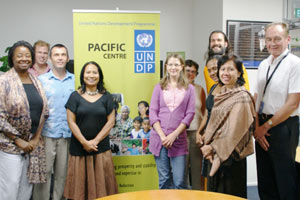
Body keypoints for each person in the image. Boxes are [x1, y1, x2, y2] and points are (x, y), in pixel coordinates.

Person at [254, 22, 300, 200]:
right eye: (269, 39)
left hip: (283, 126)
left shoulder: (295, 64)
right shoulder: (264, 64)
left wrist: (264, 128)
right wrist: (257, 127)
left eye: (277, 39)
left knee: (284, 179)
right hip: (262, 124)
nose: (272, 43)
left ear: (288, 39)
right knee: (265, 179)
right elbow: (258, 96)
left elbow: (292, 103)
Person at [200, 54, 255, 198]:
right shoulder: (221, 93)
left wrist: (212, 147)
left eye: (231, 69)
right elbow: (213, 120)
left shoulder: (242, 96)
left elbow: (235, 130)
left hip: (232, 156)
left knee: (230, 193)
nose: (226, 73)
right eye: (222, 69)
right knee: (215, 193)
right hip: (214, 153)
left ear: (238, 72)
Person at [0, 40, 49, 200]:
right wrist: (17, 139)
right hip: (9, 145)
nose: (24, 59)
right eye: (19, 55)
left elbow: (45, 112)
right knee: (10, 188)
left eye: (27, 55)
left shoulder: (36, 81)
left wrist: (35, 139)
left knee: (25, 190)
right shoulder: (4, 81)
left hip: (31, 145)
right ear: (12, 58)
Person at [64, 61, 118, 199]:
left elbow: (111, 121)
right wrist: (84, 142)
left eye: (95, 72)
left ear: (99, 76)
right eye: (88, 72)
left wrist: (95, 141)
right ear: (83, 76)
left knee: (102, 189)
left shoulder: (107, 97)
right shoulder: (75, 96)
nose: (91, 75)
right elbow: (71, 121)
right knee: (79, 190)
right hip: (79, 149)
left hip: (100, 149)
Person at [33, 44, 75, 200]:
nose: (60, 58)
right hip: (46, 135)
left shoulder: (75, 80)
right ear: (50, 59)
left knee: (62, 175)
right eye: (56, 55)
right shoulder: (40, 81)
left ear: (68, 58)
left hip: (67, 134)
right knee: (43, 175)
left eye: (63, 54)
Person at [149, 53, 195, 189]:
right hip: (159, 139)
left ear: (181, 67)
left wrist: (174, 135)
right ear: (166, 66)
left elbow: (190, 114)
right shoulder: (159, 87)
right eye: (170, 64)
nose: (173, 67)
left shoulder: (189, 89)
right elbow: (152, 112)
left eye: (176, 64)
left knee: (180, 181)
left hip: (179, 140)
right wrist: (163, 136)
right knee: (164, 180)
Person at [184, 59, 206, 190]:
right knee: (181, 171)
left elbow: (204, 113)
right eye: (188, 71)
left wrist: (201, 133)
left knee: (197, 170)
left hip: (196, 133)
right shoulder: (175, 89)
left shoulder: (199, 90)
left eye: (193, 72)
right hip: (180, 134)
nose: (190, 74)